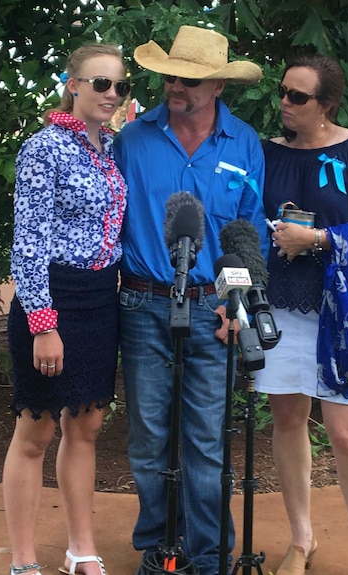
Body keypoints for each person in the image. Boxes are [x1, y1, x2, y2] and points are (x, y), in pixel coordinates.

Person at [113, 25, 268, 575]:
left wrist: (239, 305)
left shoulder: (244, 143)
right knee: (149, 437)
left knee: (205, 441)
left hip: (214, 308)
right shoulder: (130, 139)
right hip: (141, 305)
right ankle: (160, 551)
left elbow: (248, 230)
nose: (174, 86)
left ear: (220, 86)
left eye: (189, 80)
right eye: (171, 76)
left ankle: (208, 559)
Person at [255, 54, 348, 575]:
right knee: (288, 419)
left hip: (342, 309)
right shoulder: (267, 154)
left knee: (346, 434)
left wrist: (314, 239)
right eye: (283, 92)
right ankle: (302, 539)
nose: (285, 103)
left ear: (327, 105)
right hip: (281, 305)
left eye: (298, 97)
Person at [3, 43, 130, 575]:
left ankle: (81, 548)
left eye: (120, 86)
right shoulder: (44, 148)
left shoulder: (112, 150)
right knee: (36, 432)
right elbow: (28, 243)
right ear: (73, 84)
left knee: (87, 427)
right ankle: (25, 559)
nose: (111, 95)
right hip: (52, 298)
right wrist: (42, 324)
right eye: (100, 83)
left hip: (101, 299)